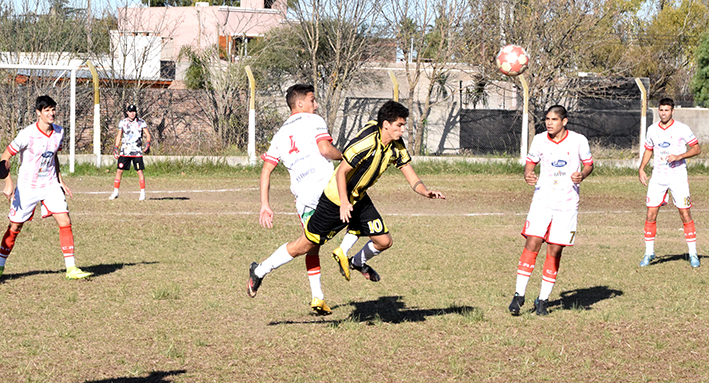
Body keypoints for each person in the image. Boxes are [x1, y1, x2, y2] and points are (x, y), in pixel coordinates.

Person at [248, 100, 445, 303]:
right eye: (399, 125)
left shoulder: (395, 145)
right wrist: (343, 202)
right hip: (334, 199)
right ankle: (260, 270)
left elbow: (411, 177)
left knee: (384, 241)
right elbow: (341, 170)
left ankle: (356, 262)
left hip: (358, 197)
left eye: (404, 125)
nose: (403, 130)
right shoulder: (366, 143)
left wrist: (425, 191)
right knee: (305, 245)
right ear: (386, 124)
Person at [259, 83, 358, 315]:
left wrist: (265, 204)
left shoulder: (280, 134)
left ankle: (316, 296)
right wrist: (345, 157)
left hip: (303, 196)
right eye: (312, 100)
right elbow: (325, 149)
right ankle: (347, 253)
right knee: (359, 206)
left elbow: (266, 170)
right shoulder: (314, 120)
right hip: (326, 187)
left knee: (311, 244)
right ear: (300, 103)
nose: (316, 104)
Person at [508, 105, 593, 316]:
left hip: (567, 203)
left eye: (554, 119)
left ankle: (543, 300)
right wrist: (528, 174)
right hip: (542, 200)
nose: (549, 123)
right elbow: (530, 164)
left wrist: (582, 175)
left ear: (564, 121)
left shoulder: (579, 140)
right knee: (532, 241)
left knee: (555, 250)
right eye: (547, 119)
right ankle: (519, 294)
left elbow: (589, 165)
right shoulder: (539, 140)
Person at [0, 95, 92, 280]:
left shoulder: (59, 132)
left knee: (65, 220)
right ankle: (0, 266)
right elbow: (4, 158)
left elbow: (53, 157)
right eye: (47, 110)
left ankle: (71, 268)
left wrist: (60, 180)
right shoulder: (27, 134)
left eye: (53, 109)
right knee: (15, 227)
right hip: (27, 187)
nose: (52, 113)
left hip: (50, 185)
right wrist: (9, 183)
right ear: (38, 113)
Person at [638, 98, 701, 268]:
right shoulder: (652, 130)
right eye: (661, 110)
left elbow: (697, 148)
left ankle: (693, 254)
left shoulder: (682, 128)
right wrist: (642, 168)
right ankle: (649, 252)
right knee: (651, 214)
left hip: (678, 177)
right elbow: (648, 149)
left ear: (673, 111)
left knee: (685, 214)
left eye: (667, 110)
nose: (663, 113)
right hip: (658, 178)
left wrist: (680, 156)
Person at [109, 104, 151, 201]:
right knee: (119, 171)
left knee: (139, 171)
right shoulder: (123, 122)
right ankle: (115, 192)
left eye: (134, 111)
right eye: (130, 112)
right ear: (127, 112)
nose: (132, 113)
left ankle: (142, 193)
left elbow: (147, 134)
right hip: (125, 151)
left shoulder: (141, 122)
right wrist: (116, 148)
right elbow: (119, 136)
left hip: (136, 152)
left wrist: (147, 144)